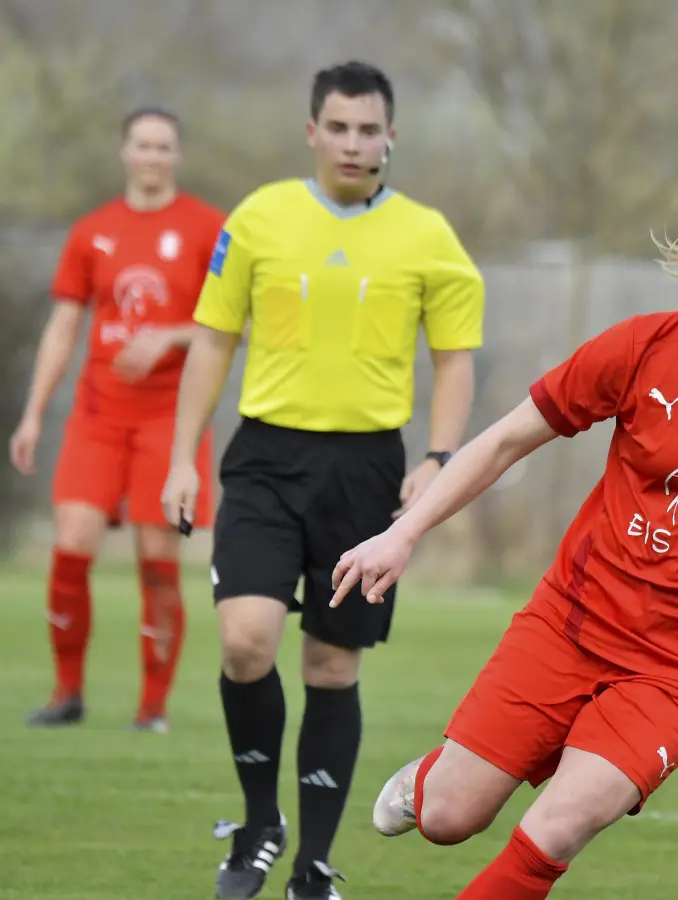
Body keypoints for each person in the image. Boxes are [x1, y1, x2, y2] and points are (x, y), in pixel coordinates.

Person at [329, 170, 678, 900]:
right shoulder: (641, 349)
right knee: (449, 818)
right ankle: (433, 778)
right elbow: (508, 440)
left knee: (556, 827)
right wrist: (405, 532)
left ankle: (565, 765)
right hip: (571, 625)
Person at [160, 61, 485, 900]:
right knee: (244, 642)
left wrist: (439, 460)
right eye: (337, 127)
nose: (353, 143)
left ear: (390, 136)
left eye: (368, 128)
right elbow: (210, 343)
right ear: (312, 132)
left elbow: (454, 362)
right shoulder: (260, 220)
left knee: (333, 668)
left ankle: (313, 865)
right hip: (266, 458)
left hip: (367, 469)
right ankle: (259, 823)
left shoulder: (427, 236)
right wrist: (179, 458)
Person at [13, 106, 225, 733]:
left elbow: (232, 323)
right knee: (71, 543)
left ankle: (151, 709)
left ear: (177, 155)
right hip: (98, 415)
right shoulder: (92, 231)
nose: (153, 156)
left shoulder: (208, 228)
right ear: (124, 151)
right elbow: (63, 329)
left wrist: (169, 337)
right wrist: (30, 415)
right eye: (142, 145)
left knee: (157, 557)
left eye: (164, 146)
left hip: (171, 418)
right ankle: (66, 692)